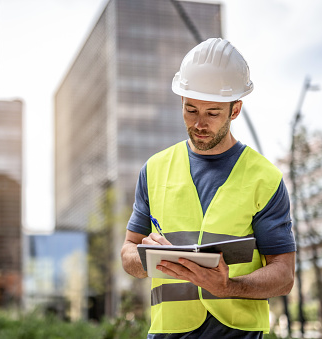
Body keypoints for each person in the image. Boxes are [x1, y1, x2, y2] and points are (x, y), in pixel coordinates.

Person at [120, 37, 296, 338]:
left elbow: (283, 275)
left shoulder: (264, 178)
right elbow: (128, 252)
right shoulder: (154, 170)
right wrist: (146, 257)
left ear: (235, 109)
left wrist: (229, 287)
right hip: (167, 332)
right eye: (191, 110)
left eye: (213, 113)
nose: (199, 123)